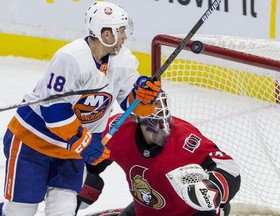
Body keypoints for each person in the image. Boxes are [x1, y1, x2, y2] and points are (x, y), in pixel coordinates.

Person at [1, 1, 161, 216]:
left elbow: (132, 104)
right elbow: (53, 109)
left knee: (64, 211)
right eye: (121, 31)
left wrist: (144, 96)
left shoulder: (124, 60)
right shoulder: (70, 58)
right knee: (20, 211)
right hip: (32, 142)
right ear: (106, 34)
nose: (125, 36)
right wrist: (85, 142)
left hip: (71, 150)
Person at [76, 92, 241, 216]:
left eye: (163, 122)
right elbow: (94, 160)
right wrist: (82, 178)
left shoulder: (185, 140)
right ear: (136, 120)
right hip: (147, 210)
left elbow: (228, 167)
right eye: (152, 125)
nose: (161, 131)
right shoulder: (118, 130)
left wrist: (214, 188)